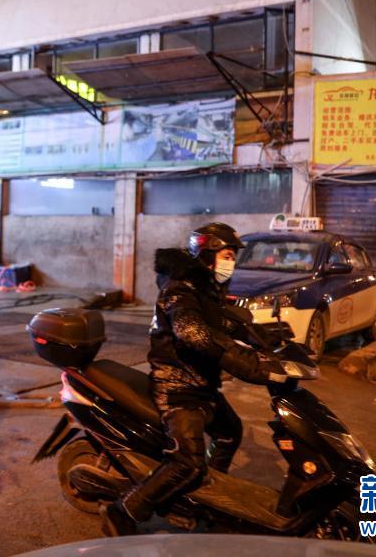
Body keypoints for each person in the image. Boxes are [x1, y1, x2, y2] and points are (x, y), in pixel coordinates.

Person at [100, 223, 288, 536]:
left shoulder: (207, 288)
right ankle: (123, 510)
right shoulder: (179, 291)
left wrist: (268, 339)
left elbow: (224, 324)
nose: (231, 263)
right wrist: (250, 365)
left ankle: (204, 496)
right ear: (207, 255)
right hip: (177, 387)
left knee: (229, 432)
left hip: (201, 384)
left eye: (233, 257)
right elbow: (194, 334)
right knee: (186, 462)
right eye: (227, 256)